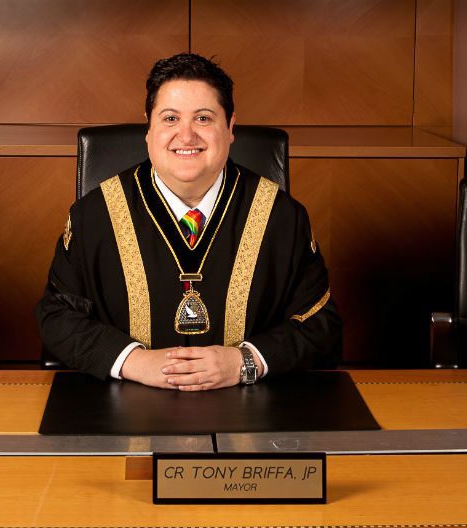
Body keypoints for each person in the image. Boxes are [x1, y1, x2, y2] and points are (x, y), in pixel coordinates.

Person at [36, 53, 341, 391]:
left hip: (252, 409)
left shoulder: (282, 217)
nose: (186, 135)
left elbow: (320, 325)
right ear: (149, 129)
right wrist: (134, 361)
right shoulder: (93, 216)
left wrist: (243, 362)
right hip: (124, 408)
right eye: (170, 118)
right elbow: (57, 317)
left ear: (229, 128)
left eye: (203, 119)